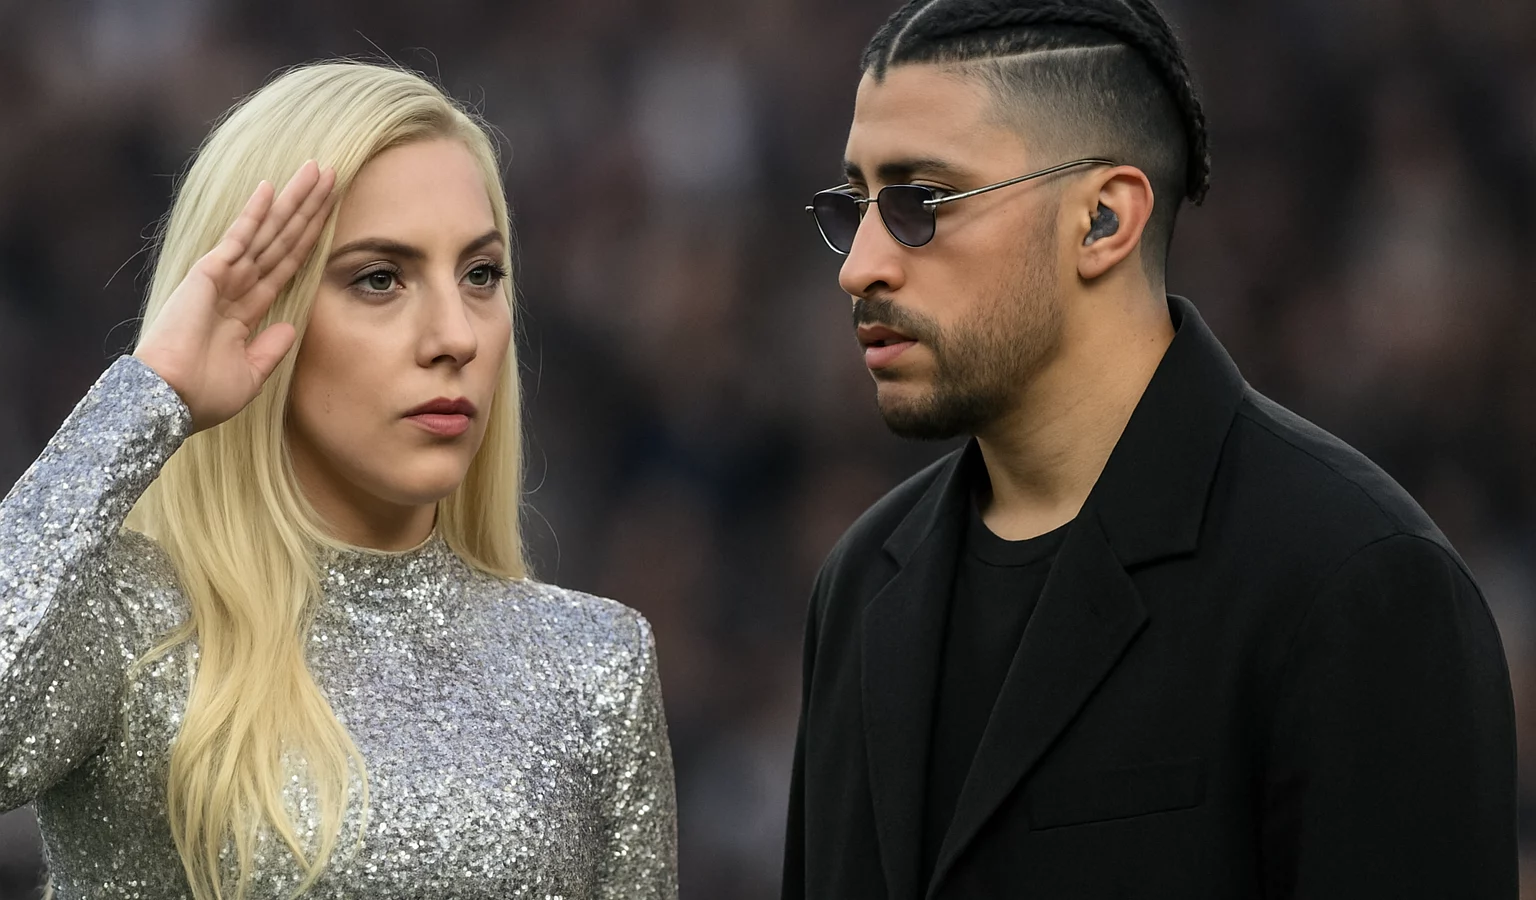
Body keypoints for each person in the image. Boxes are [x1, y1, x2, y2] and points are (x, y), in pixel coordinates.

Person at [782, 1, 1516, 898]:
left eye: (919, 203)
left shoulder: (1353, 581)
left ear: (1103, 220)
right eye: (854, 205)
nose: (859, 266)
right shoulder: (860, 583)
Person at [0, 61, 676, 899]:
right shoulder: (125, 624)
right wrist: (149, 395)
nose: (456, 336)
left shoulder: (597, 665)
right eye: (379, 278)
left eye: (480, 275)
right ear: (257, 308)